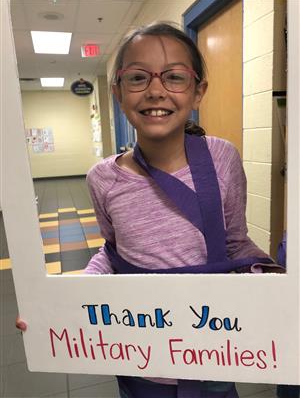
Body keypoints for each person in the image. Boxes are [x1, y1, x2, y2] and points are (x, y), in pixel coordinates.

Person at [17, 22, 283, 398]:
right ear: (119, 93)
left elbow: (236, 244)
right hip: (141, 361)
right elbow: (111, 254)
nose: (156, 90)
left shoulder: (222, 158)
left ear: (197, 91)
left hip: (214, 355)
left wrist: (274, 287)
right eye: (138, 78)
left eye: (175, 77)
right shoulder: (102, 179)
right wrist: (58, 308)